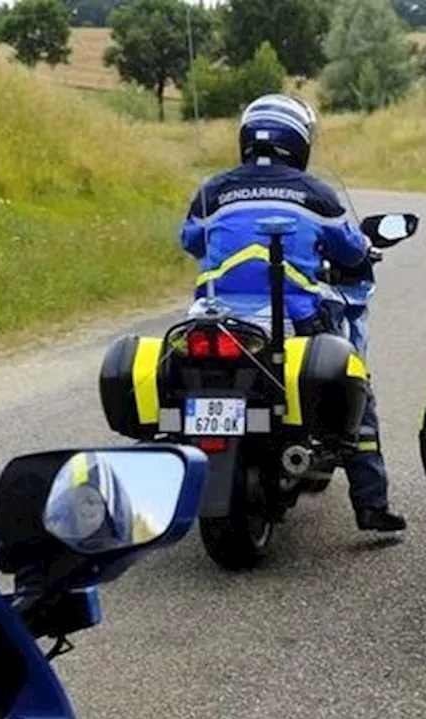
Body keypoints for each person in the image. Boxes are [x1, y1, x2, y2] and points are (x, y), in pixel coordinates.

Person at [178, 94, 405, 533]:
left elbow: (190, 239)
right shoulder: (315, 193)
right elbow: (352, 249)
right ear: (300, 142)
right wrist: (363, 251)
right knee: (355, 387)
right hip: (294, 318)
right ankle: (372, 505)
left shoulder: (212, 190)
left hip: (212, 317)